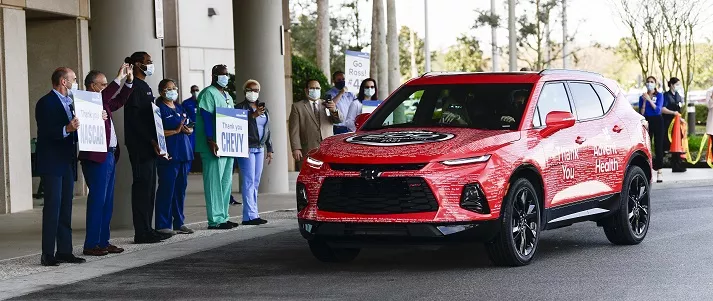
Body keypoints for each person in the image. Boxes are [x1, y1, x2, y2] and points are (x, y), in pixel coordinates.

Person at [78, 63, 134, 256]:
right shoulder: (86, 100)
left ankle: (103, 241)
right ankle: (91, 243)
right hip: (95, 157)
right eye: (103, 84)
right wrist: (118, 78)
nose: (105, 87)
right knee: (98, 200)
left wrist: (128, 82)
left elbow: (119, 100)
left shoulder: (102, 102)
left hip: (109, 154)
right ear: (93, 86)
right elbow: (105, 96)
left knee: (107, 202)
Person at [35, 67, 86, 266]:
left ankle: (65, 251)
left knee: (66, 207)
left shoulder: (72, 104)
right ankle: (47, 253)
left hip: (66, 161)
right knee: (52, 208)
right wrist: (67, 128)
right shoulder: (45, 102)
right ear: (63, 82)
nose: (75, 82)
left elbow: (77, 129)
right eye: (73, 79)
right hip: (51, 162)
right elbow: (46, 131)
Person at [124, 51, 171, 244]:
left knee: (150, 187)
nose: (151, 65)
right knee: (142, 187)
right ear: (136, 64)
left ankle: (148, 228)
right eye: (147, 62)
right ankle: (141, 231)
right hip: (140, 145)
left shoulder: (145, 86)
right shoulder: (134, 87)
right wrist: (151, 140)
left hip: (150, 145)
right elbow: (135, 120)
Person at [195, 64, 239, 230]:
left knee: (226, 182)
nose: (226, 77)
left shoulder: (227, 95)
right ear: (214, 76)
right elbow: (206, 117)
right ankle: (215, 220)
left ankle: (224, 216)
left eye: (227, 74)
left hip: (227, 144)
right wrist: (210, 139)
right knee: (214, 182)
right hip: (213, 144)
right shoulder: (208, 93)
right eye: (222, 74)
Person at [155, 79, 195, 235]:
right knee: (167, 189)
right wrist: (175, 131)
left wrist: (188, 130)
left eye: (174, 88)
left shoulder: (180, 107)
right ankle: (163, 224)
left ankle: (179, 222)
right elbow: (157, 133)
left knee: (180, 190)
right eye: (168, 89)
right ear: (161, 91)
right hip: (169, 155)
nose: (172, 91)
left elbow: (190, 124)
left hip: (184, 153)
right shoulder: (159, 108)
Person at [235, 79, 273, 225]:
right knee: (248, 181)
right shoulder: (240, 107)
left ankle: (251, 215)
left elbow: (267, 129)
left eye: (256, 90)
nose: (253, 93)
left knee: (256, 182)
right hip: (246, 147)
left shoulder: (263, 109)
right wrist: (252, 116)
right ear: (245, 91)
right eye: (250, 90)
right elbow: (237, 125)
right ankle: (251, 215)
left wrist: (270, 149)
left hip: (260, 148)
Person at [289, 79, 343, 163]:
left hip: (327, 147)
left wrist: (334, 110)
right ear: (306, 90)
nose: (315, 90)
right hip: (308, 147)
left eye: (317, 88)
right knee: (309, 174)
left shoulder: (327, 104)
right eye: (312, 88)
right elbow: (294, 130)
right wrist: (296, 148)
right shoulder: (297, 107)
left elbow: (339, 120)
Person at [638, 76, 678, 183]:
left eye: (652, 82)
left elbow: (657, 110)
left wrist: (650, 100)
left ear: (655, 84)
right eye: (648, 82)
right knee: (647, 146)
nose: (649, 84)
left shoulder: (659, 95)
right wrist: (645, 101)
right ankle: (648, 171)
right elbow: (641, 113)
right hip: (647, 121)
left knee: (658, 146)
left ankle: (659, 172)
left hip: (658, 120)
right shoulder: (642, 97)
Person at [662, 77, 683, 153]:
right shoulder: (666, 95)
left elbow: (679, 109)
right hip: (667, 120)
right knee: (667, 137)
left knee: (677, 137)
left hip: (676, 122)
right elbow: (662, 109)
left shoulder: (678, 95)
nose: (678, 86)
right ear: (671, 85)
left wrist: (681, 119)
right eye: (677, 84)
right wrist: (673, 113)